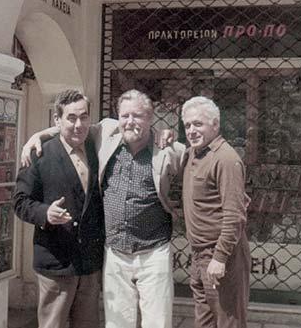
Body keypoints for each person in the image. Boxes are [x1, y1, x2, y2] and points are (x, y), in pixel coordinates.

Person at [21, 89, 185, 328]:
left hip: (154, 251)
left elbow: (197, 173)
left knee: (157, 321)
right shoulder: (107, 133)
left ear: (150, 118)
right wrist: (37, 135)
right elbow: (73, 126)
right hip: (115, 252)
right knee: (117, 322)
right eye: (125, 115)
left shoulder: (170, 150)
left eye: (137, 116)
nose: (130, 121)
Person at [14, 89, 104, 328]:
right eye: (71, 118)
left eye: (84, 117)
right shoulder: (39, 154)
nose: (78, 124)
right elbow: (20, 202)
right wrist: (45, 213)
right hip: (56, 262)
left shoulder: (97, 148)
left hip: (89, 264)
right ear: (57, 120)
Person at [181, 96, 250, 328]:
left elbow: (234, 216)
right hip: (199, 256)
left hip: (221, 258)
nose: (191, 130)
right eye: (187, 125)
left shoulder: (226, 159)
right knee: (205, 322)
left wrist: (220, 258)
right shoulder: (194, 153)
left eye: (198, 124)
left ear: (215, 124)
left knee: (228, 322)